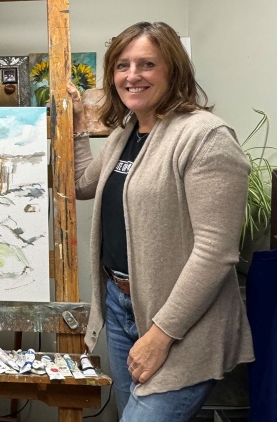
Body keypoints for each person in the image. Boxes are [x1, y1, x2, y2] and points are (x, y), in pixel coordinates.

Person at [71, 21, 253, 421]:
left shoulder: (205, 137)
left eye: (146, 64)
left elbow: (216, 251)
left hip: (180, 322)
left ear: (174, 70)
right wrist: (78, 128)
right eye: (122, 65)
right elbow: (84, 185)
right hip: (122, 307)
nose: (132, 75)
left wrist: (161, 334)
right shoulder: (126, 133)